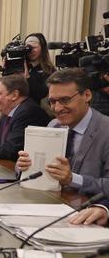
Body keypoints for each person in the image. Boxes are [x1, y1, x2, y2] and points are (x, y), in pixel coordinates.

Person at [15, 68, 109, 197]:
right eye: (52, 101)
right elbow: (39, 171)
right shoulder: (54, 125)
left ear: (87, 95)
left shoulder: (106, 130)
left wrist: (72, 179)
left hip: (87, 211)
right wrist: (23, 167)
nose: (57, 108)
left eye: (65, 100)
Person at [22, 33, 55, 104]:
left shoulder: (49, 70)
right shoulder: (21, 66)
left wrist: (28, 78)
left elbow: (42, 93)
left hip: (37, 108)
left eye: (34, 48)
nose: (31, 51)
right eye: (28, 48)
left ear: (42, 48)